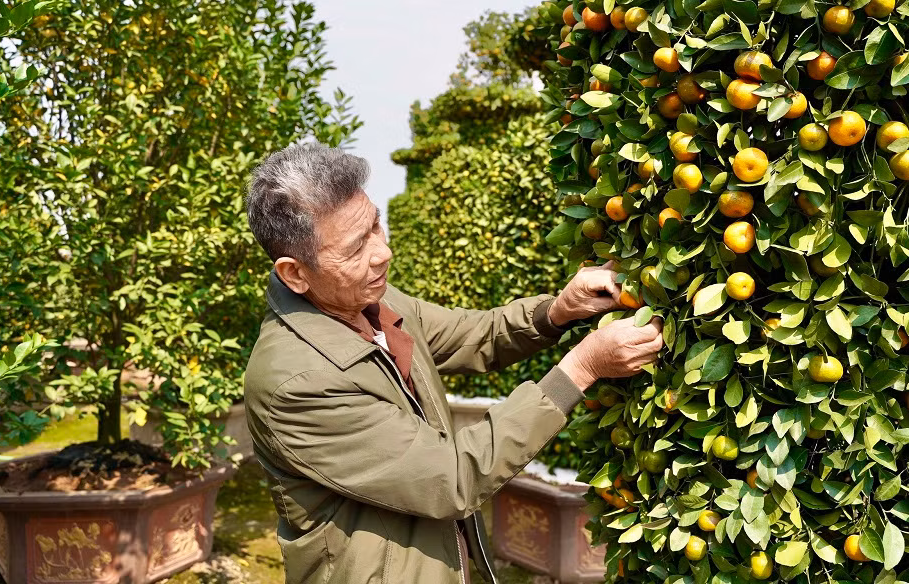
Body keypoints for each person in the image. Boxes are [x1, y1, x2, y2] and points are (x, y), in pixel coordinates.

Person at [243, 143, 664, 584]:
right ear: (294, 273)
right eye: (354, 249)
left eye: (375, 226)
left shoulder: (372, 301)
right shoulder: (295, 383)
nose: (382, 253)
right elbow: (451, 477)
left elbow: (473, 335)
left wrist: (557, 311)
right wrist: (581, 369)